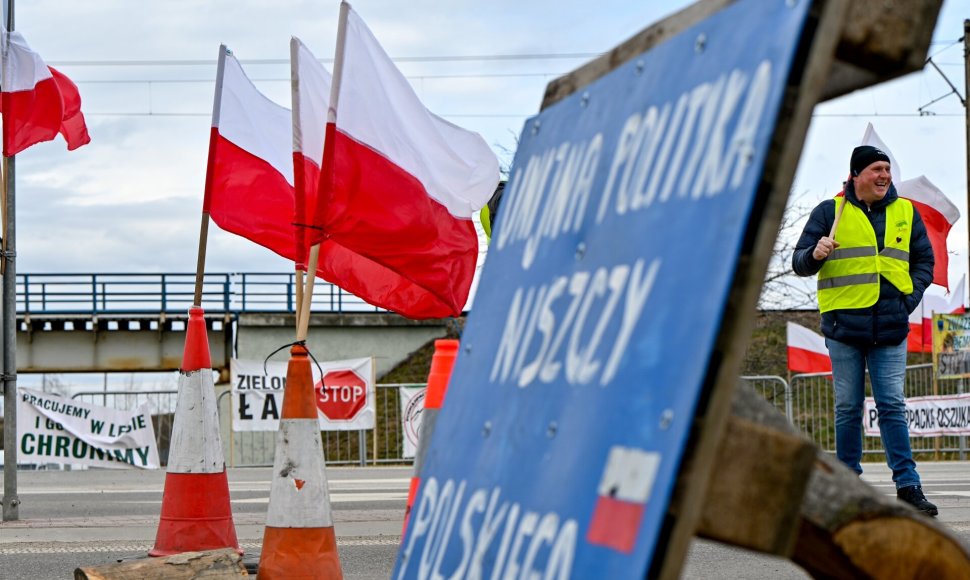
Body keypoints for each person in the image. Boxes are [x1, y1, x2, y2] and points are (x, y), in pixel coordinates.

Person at [792, 145, 938, 516]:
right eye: (876, 168)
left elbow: (925, 261)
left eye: (887, 167)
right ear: (856, 174)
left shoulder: (906, 211)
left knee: (892, 406)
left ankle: (909, 487)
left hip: (890, 326)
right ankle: (848, 486)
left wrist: (910, 297)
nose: (884, 175)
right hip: (844, 329)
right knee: (847, 408)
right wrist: (815, 254)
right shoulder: (830, 212)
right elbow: (799, 262)